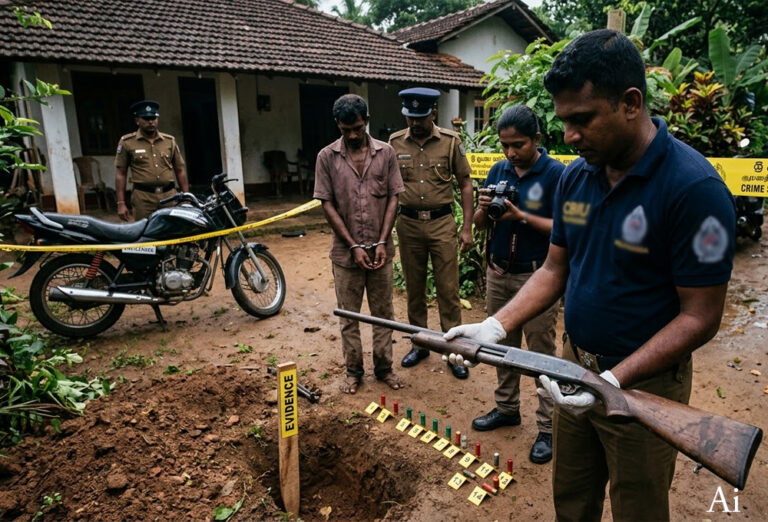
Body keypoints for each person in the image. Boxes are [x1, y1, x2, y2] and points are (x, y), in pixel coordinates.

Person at [445, 29, 735, 521]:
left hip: (644, 387)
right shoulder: (577, 178)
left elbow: (700, 316)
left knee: (638, 508)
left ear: (630, 103)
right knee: (573, 499)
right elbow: (555, 268)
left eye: (582, 120)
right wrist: (495, 325)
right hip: (573, 369)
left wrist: (613, 380)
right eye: (564, 122)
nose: (570, 136)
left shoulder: (695, 190)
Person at [470, 105, 564, 465]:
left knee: (540, 353)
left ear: (537, 139)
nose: (510, 153)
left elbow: (565, 229)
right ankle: (507, 408)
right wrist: (483, 208)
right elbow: (480, 223)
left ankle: (548, 427)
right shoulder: (498, 169)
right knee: (500, 346)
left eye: (518, 145)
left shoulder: (557, 174)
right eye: (504, 145)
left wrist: (522, 215)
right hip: (499, 272)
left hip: (537, 276)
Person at [314, 94, 404, 395]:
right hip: (345, 254)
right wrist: (353, 245)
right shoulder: (326, 157)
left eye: (357, 128)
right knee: (348, 315)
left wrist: (382, 240)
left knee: (383, 313)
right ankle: (353, 371)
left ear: (366, 120)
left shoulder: (386, 153)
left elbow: (393, 198)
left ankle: (384, 368)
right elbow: (326, 204)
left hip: (381, 251)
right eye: (346, 130)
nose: (352, 135)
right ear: (337, 125)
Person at [389, 87, 474, 380]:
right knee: (414, 289)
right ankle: (420, 343)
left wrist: (467, 228)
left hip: (441, 224)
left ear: (433, 113)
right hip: (408, 224)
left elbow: (465, 183)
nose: (415, 123)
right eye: (410, 117)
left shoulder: (450, 142)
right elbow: (388, 188)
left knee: (448, 290)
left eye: (421, 117)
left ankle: (454, 351)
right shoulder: (395, 143)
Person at [114, 100, 189, 221]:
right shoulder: (127, 142)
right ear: (137, 120)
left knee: (172, 229)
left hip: (169, 196)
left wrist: (186, 197)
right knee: (145, 230)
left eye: (153, 118)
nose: (150, 122)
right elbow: (121, 174)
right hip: (143, 198)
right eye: (146, 118)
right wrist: (121, 203)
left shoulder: (169, 141)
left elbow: (180, 170)